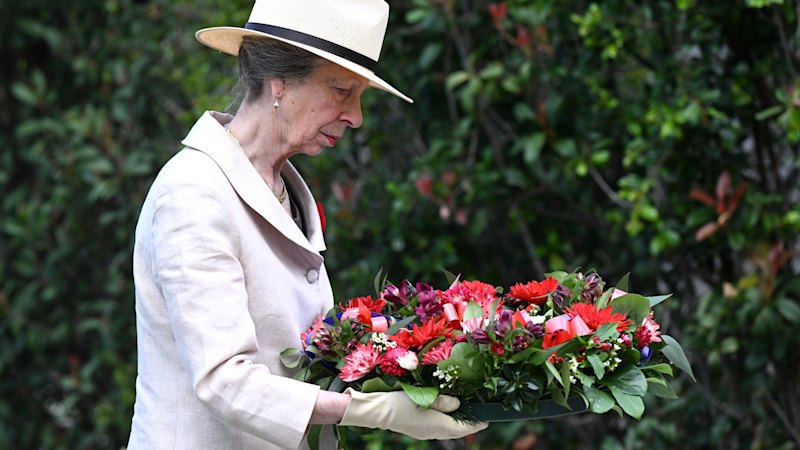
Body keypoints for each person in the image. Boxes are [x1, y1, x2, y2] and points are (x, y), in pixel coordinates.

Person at [126, 1, 488, 449]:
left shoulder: (282, 187)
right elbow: (224, 379)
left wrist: (416, 364)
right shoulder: (193, 191)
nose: (356, 116)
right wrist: (366, 409)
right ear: (279, 82)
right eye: (341, 90)